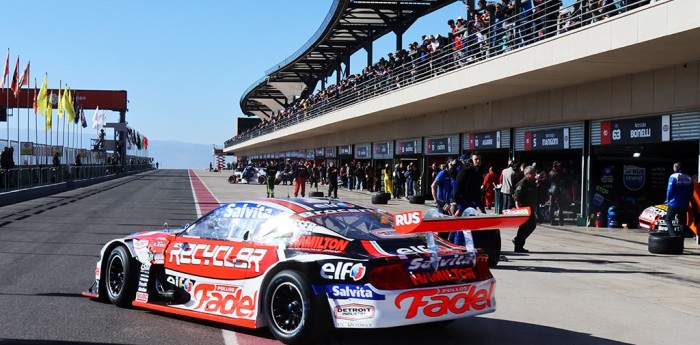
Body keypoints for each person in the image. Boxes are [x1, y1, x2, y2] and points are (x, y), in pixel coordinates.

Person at [512, 165, 538, 253]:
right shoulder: (522, 183)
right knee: (523, 228)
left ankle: (517, 240)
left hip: (530, 209)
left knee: (532, 226)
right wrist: (518, 209)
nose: (535, 175)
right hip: (524, 209)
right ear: (527, 174)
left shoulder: (532, 182)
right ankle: (518, 246)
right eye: (533, 173)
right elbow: (516, 196)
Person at [665, 162, 693, 237]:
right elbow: (691, 191)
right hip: (684, 204)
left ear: (676, 168)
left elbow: (669, 190)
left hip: (674, 203)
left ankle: (673, 236)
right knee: (682, 222)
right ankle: (681, 240)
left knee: (668, 219)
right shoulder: (688, 177)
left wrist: (667, 199)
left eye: (674, 167)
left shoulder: (673, 176)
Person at [548, 161, 567, 226]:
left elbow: (549, 181)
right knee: (560, 206)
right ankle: (561, 221)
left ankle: (552, 220)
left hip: (551, 190)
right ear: (555, 166)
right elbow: (560, 182)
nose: (559, 166)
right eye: (558, 165)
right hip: (557, 190)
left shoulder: (550, 172)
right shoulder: (557, 173)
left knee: (551, 206)